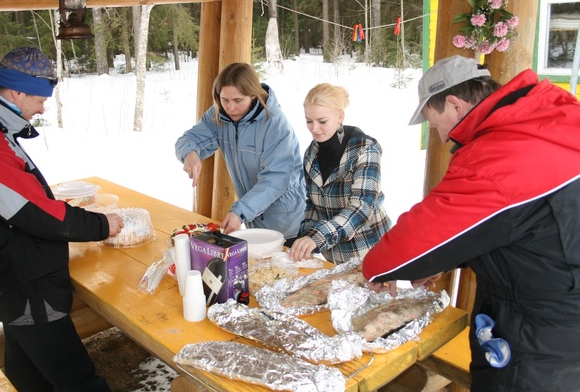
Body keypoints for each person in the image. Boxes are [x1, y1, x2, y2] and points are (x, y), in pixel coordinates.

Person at [362, 55, 580, 391]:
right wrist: (450, 256)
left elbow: (403, 249)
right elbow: (530, 222)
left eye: (436, 125)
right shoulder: (551, 122)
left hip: (540, 336)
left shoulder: (496, 153)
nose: (444, 137)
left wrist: (378, 268)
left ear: (454, 104)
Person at [0, 47, 124, 392]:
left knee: (28, 375)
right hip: (26, 282)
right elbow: (35, 212)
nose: (43, 108)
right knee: (78, 380)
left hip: (12, 274)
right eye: (40, 98)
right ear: (16, 92)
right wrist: (101, 224)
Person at [175, 62, 306, 241]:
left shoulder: (275, 123)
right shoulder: (219, 115)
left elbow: (276, 179)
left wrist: (240, 212)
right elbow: (189, 139)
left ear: (253, 95)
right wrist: (190, 153)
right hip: (253, 217)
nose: (230, 108)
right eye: (225, 100)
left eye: (238, 101)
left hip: (287, 222)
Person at [289, 83, 391, 264]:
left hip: (369, 252)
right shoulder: (311, 154)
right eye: (308, 121)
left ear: (340, 117)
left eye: (322, 121)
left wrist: (317, 237)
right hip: (333, 256)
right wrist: (304, 237)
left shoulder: (366, 150)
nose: (314, 128)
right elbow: (313, 204)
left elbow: (361, 208)